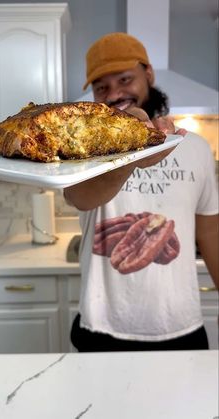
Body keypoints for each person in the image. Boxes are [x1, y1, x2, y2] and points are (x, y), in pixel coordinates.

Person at [64, 32, 219, 352]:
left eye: (124, 79)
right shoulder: (81, 152)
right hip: (102, 328)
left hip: (181, 326)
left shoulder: (197, 148)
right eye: (101, 87)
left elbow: (211, 233)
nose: (115, 94)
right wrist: (129, 152)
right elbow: (81, 198)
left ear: (147, 74)